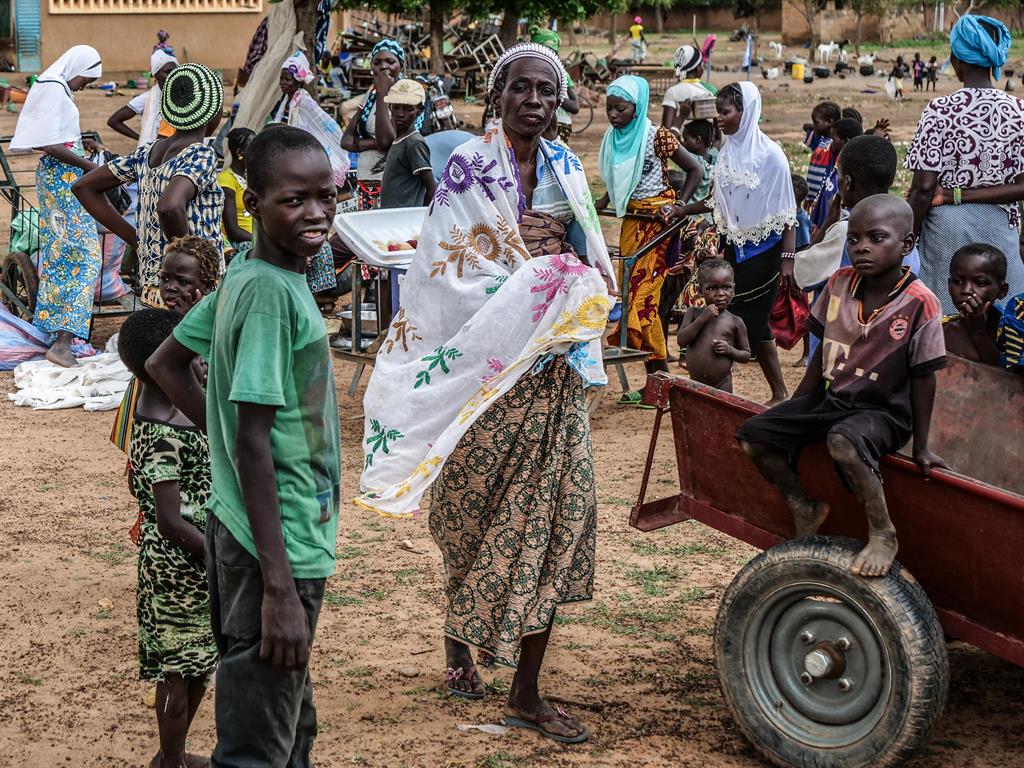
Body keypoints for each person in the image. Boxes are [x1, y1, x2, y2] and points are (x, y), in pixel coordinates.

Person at [356, 42, 616, 744]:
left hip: (549, 374)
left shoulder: (565, 167)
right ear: (498, 95)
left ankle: (527, 693)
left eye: (545, 91)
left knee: (556, 518)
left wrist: (556, 260)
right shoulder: (470, 167)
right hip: (484, 376)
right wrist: (526, 267)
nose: (534, 101)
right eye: (521, 89)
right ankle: (457, 639)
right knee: (470, 515)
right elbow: (446, 276)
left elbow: (590, 255)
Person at [147, 127, 341, 765]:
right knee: (259, 745)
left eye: (326, 196)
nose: (315, 212)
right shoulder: (265, 294)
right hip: (274, 545)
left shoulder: (249, 273)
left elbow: (167, 362)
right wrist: (280, 588)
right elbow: (255, 440)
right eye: (293, 200)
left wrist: (222, 441)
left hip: (252, 531)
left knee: (289, 724)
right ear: (251, 201)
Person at [738, 195, 948, 578]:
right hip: (833, 399)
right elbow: (821, 356)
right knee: (754, 436)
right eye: (854, 239)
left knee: (842, 441)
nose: (862, 247)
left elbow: (924, 376)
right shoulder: (838, 284)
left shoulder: (921, 303)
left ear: (907, 245)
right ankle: (804, 505)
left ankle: (883, 532)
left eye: (876, 238)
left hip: (883, 412)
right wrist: (795, 409)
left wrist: (922, 446)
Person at [117, 307, 216, 768]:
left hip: (192, 564)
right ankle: (172, 761)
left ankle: (169, 757)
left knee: (196, 667)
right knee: (178, 674)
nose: (199, 361)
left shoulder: (171, 408)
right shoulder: (158, 430)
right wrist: (216, 553)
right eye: (190, 355)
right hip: (178, 569)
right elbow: (170, 520)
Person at [662, 82, 796, 405]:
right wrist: (684, 208)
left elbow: (788, 211)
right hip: (733, 246)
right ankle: (751, 392)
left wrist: (788, 258)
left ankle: (757, 391)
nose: (719, 119)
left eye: (726, 112)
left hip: (764, 251)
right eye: (718, 112)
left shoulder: (771, 156)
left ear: (746, 112)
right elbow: (717, 200)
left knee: (749, 320)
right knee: (738, 318)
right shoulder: (727, 154)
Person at [73, 63, 225, 309]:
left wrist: (135, 239)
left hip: (154, 283)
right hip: (192, 291)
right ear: (213, 112)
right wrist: (191, 264)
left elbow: (84, 187)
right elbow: (169, 206)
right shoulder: (199, 154)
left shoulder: (147, 153)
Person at [906, 14, 1024, 315]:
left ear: (957, 58)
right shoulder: (1019, 111)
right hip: (1000, 232)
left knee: (942, 321)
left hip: (945, 234)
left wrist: (908, 239)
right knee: (1002, 323)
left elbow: (922, 190)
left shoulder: (939, 110)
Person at [595, 75, 701, 403]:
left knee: (644, 301)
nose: (613, 115)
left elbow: (695, 170)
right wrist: (601, 202)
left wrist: (679, 205)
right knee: (632, 296)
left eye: (621, 108)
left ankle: (661, 382)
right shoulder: (613, 138)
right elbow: (618, 181)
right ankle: (656, 382)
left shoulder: (658, 137)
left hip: (658, 223)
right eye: (609, 108)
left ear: (637, 108)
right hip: (631, 220)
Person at [10, 45, 103, 367]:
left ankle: (51, 332)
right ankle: (63, 343)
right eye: (86, 80)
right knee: (87, 257)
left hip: (61, 177)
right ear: (76, 67)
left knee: (61, 254)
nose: (84, 86)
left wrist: (82, 143)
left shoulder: (55, 86)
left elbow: (58, 136)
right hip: (62, 180)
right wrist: (91, 167)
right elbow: (48, 143)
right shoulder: (53, 88)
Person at [111, 236, 221, 457]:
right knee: (149, 446)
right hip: (152, 400)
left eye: (182, 282)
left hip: (192, 404)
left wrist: (186, 320)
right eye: (165, 278)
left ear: (208, 285)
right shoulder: (157, 311)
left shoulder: (213, 318)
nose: (170, 288)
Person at [341, 39, 406, 210]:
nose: (383, 67)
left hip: (394, 180)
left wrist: (383, 92)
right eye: (377, 62)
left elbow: (387, 142)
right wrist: (374, 144)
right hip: (368, 179)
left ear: (401, 64)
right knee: (367, 230)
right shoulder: (371, 94)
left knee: (390, 233)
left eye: (390, 61)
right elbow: (346, 140)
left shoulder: (408, 95)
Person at [272, 50, 349, 188]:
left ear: (299, 81)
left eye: (287, 79)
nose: (283, 83)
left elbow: (321, 122)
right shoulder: (285, 101)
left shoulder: (304, 101)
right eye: (281, 79)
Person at [676, 258, 750, 392]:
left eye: (726, 287)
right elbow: (682, 340)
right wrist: (702, 319)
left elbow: (746, 355)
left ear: (733, 289)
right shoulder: (693, 313)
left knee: (721, 413)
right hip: (696, 384)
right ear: (700, 290)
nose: (721, 293)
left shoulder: (735, 321)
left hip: (723, 385)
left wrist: (729, 350)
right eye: (712, 288)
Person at [943, 243, 1008, 365]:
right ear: (949, 286)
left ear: (1002, 290)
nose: (966, 290)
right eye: (957, 281)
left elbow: (1010, 376)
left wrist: (977, 332)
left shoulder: (1011, 331)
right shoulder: (941, 329)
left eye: (980, 283)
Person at [379, 80, 435, 209]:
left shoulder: (414, 143)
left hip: (404, 220)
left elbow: (431, 189)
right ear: (389, 108)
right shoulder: (400, 139)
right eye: (396, 107)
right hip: (392, 217)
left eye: (408, 109)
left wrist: (421, 218)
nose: (400, 114)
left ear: (419, 111)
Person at [107, 49, 178, 146]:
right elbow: (114, 121)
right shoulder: (147, 99)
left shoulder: (182, 97)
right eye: (167, 71)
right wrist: (141, 138)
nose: (172, 74)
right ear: (155, 74)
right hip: (153, 153)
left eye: (175, 70)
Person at [809, 117, 863, 232]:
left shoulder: (853, 172)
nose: (831, 143)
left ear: (847, 141)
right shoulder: (836, 163)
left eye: (834, 139)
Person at [530, 27, 580, 145]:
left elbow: (575, 107)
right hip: (536, 122)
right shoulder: (528, 74)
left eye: (551, 53)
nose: (547, 58)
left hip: (560, 125)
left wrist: (552, 94)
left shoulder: (562, 75)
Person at [217, 127, 256, 253]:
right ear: (240, 153)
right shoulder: (227, 180)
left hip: (256, 238)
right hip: (241, 243)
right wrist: (263, 241)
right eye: (253, 148)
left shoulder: (249, 178)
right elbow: (233, 230)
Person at [661, 45, 711, 133]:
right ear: (698, 69)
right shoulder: (710, 89)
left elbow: (665, 131)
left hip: (679, 143)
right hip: (705, 144)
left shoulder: (673, 92)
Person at [803, 101, 840, 206]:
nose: (814, 125)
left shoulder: (835, 143)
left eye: (816, 122)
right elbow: (805, 127)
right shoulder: (818, 139)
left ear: (830, 122)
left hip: (825, 196)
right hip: (811, 196)